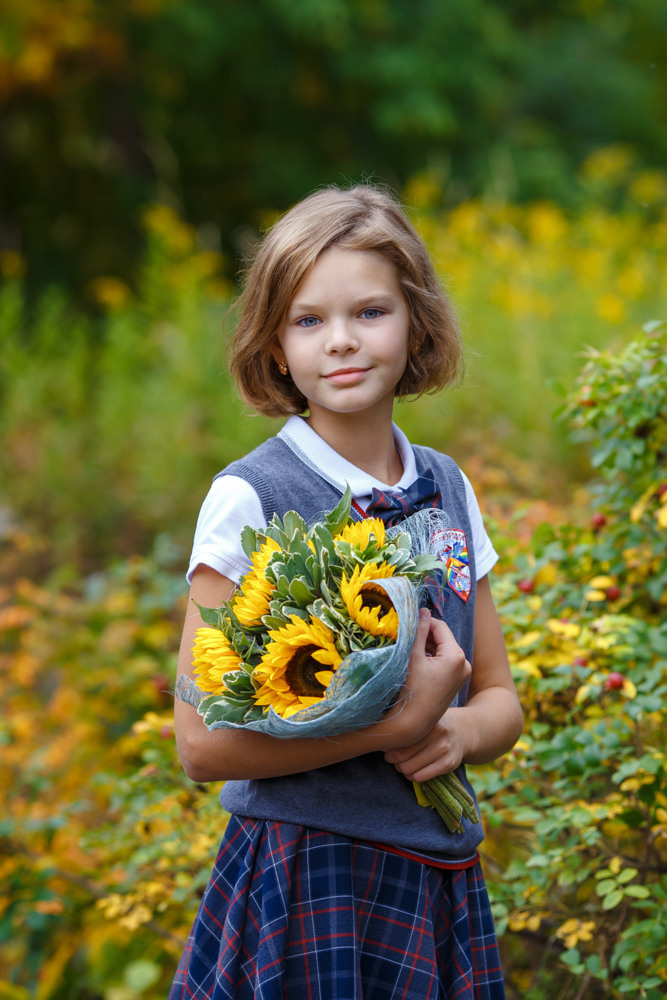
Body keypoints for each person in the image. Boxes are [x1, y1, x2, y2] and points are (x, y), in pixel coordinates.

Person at [170, 184, 523, 1000]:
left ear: (417, 324)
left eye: (370, 312)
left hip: (434, 870)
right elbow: (200, 744)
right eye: (307, 320)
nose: (340, 342)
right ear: (274, 347)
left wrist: (460, 732)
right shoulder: (252, 498)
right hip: (306, 876)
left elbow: (500, 694)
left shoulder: (446, 487)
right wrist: (391, 726)